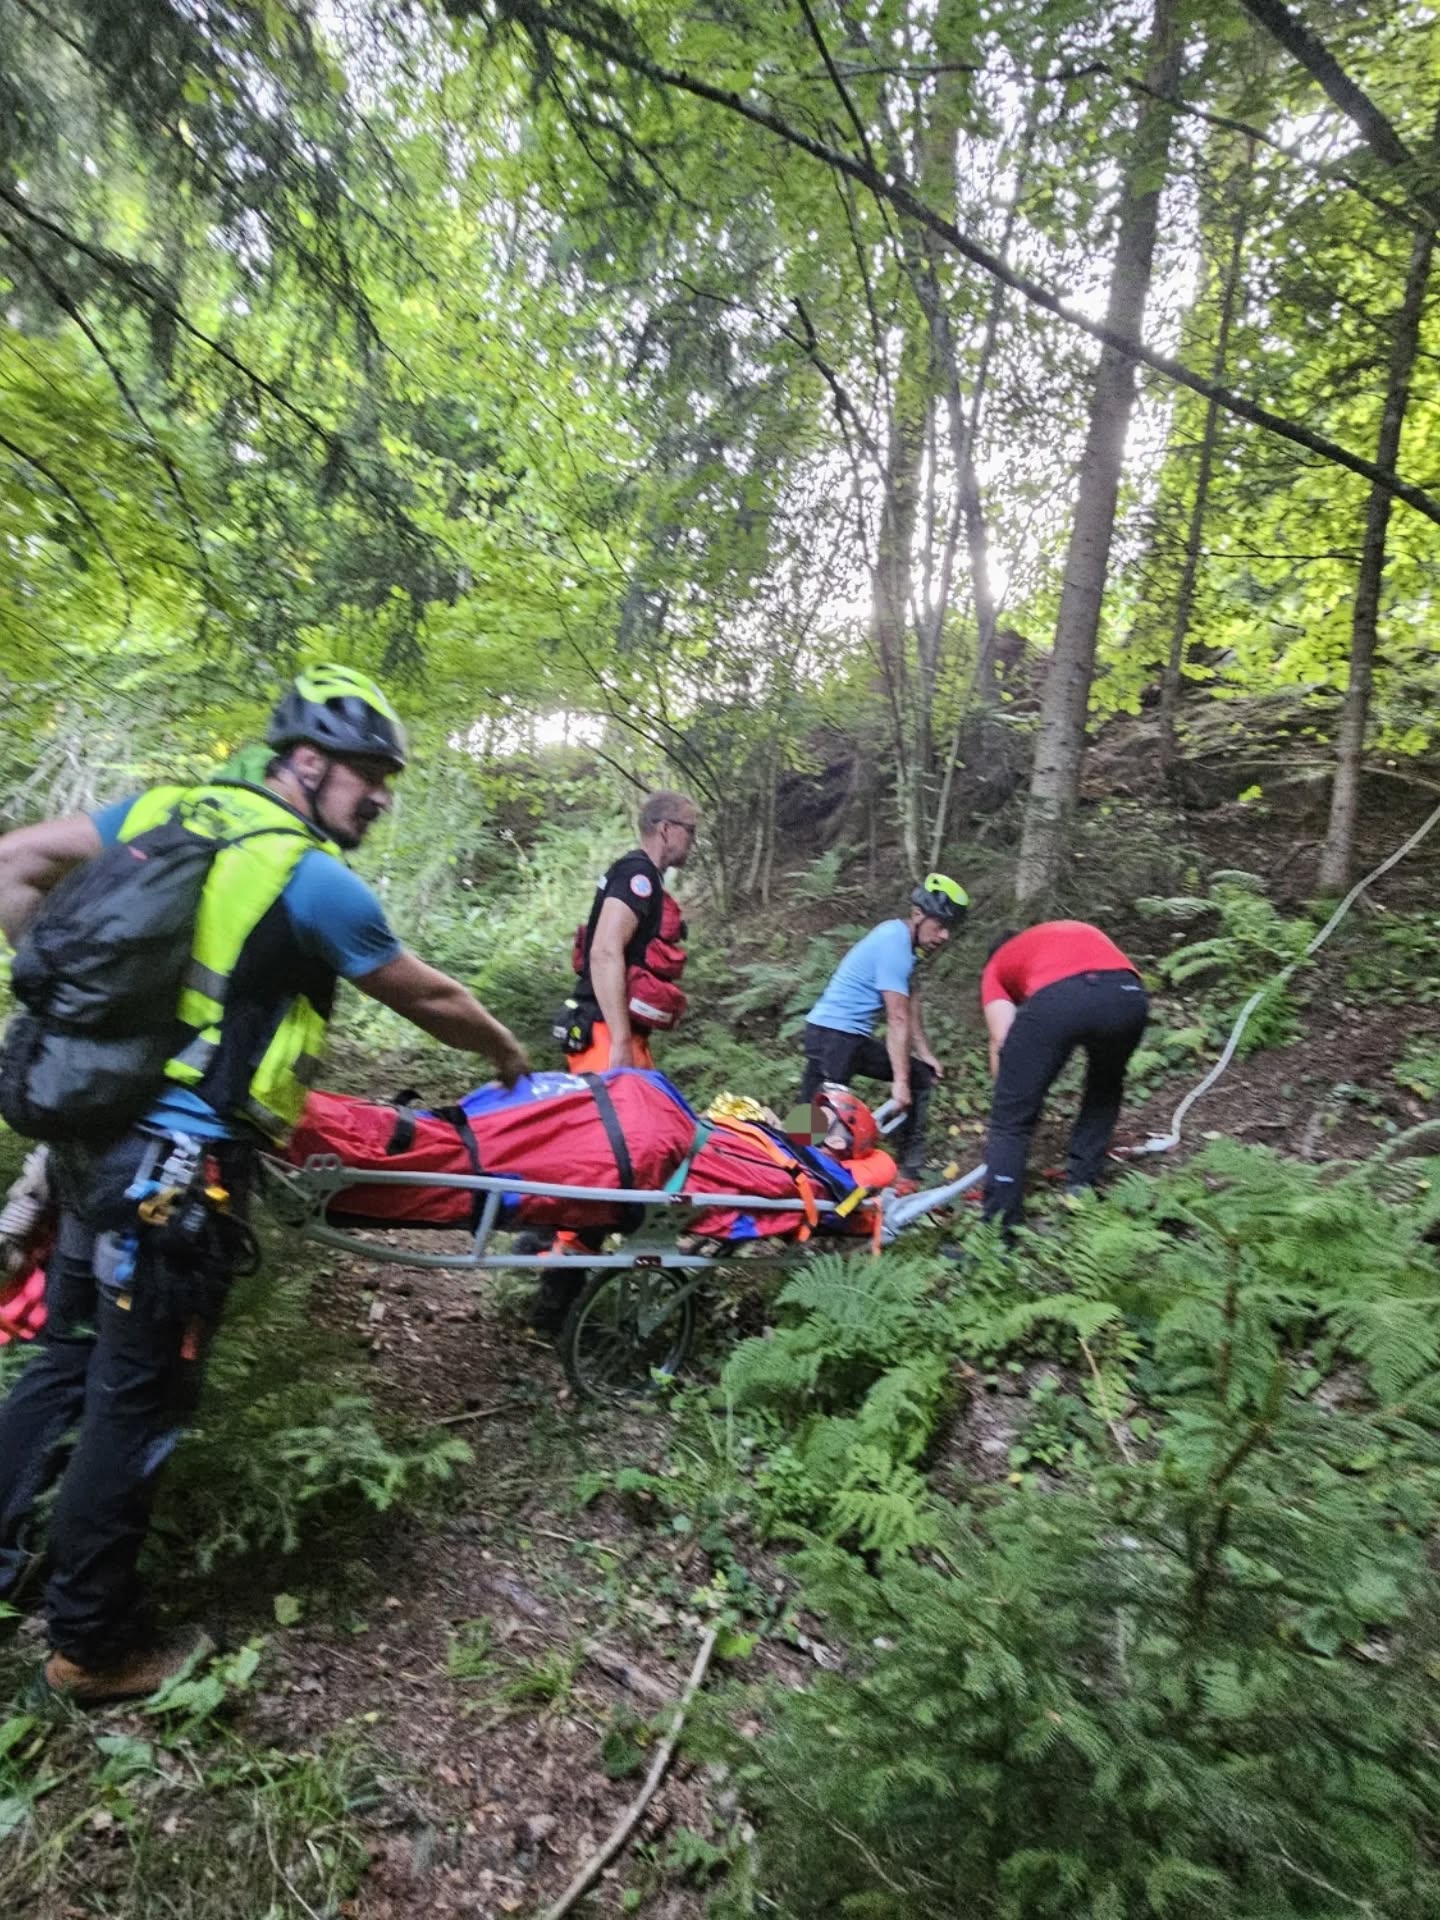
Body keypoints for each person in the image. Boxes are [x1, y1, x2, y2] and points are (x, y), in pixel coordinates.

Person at [0, 665, 530, 1704]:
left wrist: (71, 1005)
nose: (378, 795)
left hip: (91, 1152)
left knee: (61, 1367)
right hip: (178, 1178)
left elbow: (14, 859)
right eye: (367, 774)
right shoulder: (306, 873)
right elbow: (427, 993)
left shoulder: (159, 812)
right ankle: (93, 1645)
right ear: (305, 762)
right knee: (134, 1397)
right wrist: (510, 1058)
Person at [799, 874, 968, 1194]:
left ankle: (908, 1173)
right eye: (940, 925)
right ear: (918, 915)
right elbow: (897, 1017)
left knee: (921, 1075)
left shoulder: (906, 945)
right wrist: (899, 1083)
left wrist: (925, 1054)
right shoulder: (895, 944)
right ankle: (803, 1194)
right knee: (816, 1128)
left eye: (950, 929)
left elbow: (910, 999)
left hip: (848, 1037)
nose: (944, 936)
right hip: (832, 1037)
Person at [979, 920, 1149, 1230]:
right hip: (1129, 995)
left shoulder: (996, 965)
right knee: (1105, 1086)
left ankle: (998, 1234)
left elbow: (1002, 1037)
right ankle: (1080, 1188)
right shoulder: (1052, 937)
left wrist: (1011, 1098)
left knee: (1010, 1121)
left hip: (1064, 996)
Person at [560, 789, 700, 1073]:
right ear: (665, 829)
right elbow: (604, 951)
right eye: (690, 830)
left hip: (617, 1033)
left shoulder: (641, 875)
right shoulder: (637, 875)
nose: (693, 840)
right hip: (606, 1035)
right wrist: (621, 1042)